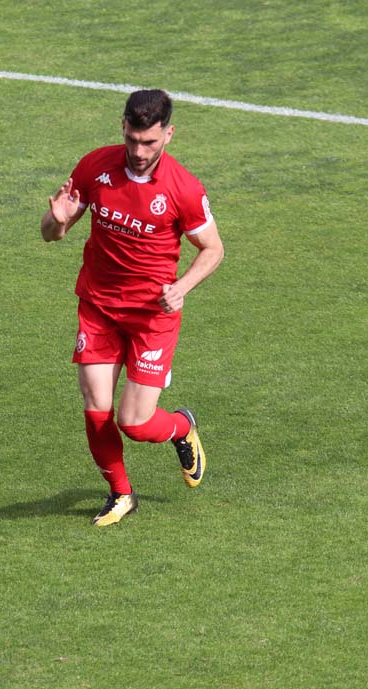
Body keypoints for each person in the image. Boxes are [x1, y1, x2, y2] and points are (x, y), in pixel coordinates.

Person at [40, 89, 224, 526]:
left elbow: (213, 249)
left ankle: (181, 427)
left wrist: (183, 287)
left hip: (151, 316)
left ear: (169, 135)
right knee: (95, 406)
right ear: (122, 125)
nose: (139, 152)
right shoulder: (95, 166)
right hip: (99, 306)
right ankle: (120, 493)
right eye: (133, 140)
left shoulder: (183, 188)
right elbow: (50, 234)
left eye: (150, 143)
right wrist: (58, 221)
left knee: (135, 422)